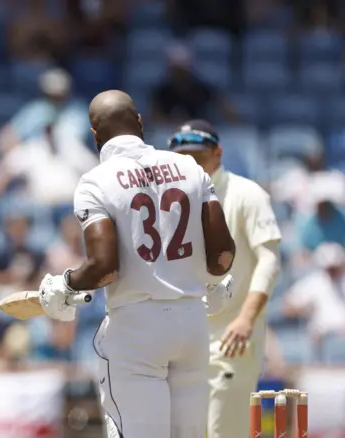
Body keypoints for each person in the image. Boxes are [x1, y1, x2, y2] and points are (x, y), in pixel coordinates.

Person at [37, 90, 236, 437]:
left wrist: (66, 284)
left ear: (95, 135)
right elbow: (222, 258)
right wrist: (206, 281)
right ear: (140, 124)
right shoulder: (189, 167)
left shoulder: (95, 181)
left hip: (137, 328)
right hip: (191, 324)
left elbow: (105, 267)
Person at [168, 120, 282, 438]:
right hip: (185, 339)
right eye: (182, 157)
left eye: (198, 156)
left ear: (218, 153)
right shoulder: (172, 202)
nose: (189, 164)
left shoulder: (247, 194)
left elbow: (270, 261)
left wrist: (247, 318)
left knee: (224, 432)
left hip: (232, 340)